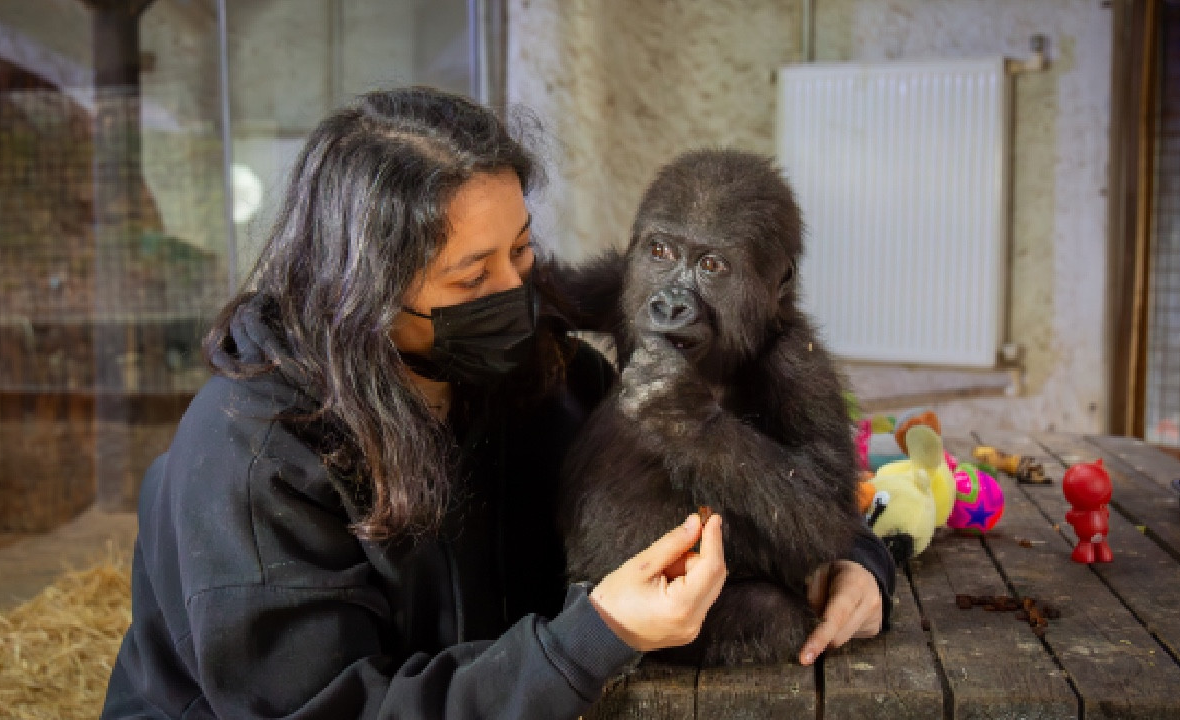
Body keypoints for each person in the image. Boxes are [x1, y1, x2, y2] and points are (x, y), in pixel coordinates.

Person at [101, 86, 892, 720]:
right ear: (361, 294)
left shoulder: (534, 378)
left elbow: (773, 493)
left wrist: (854, 566)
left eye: (522, 252)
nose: (520, 297)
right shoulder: (253, 459)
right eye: (473, 279)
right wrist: (592, 640)